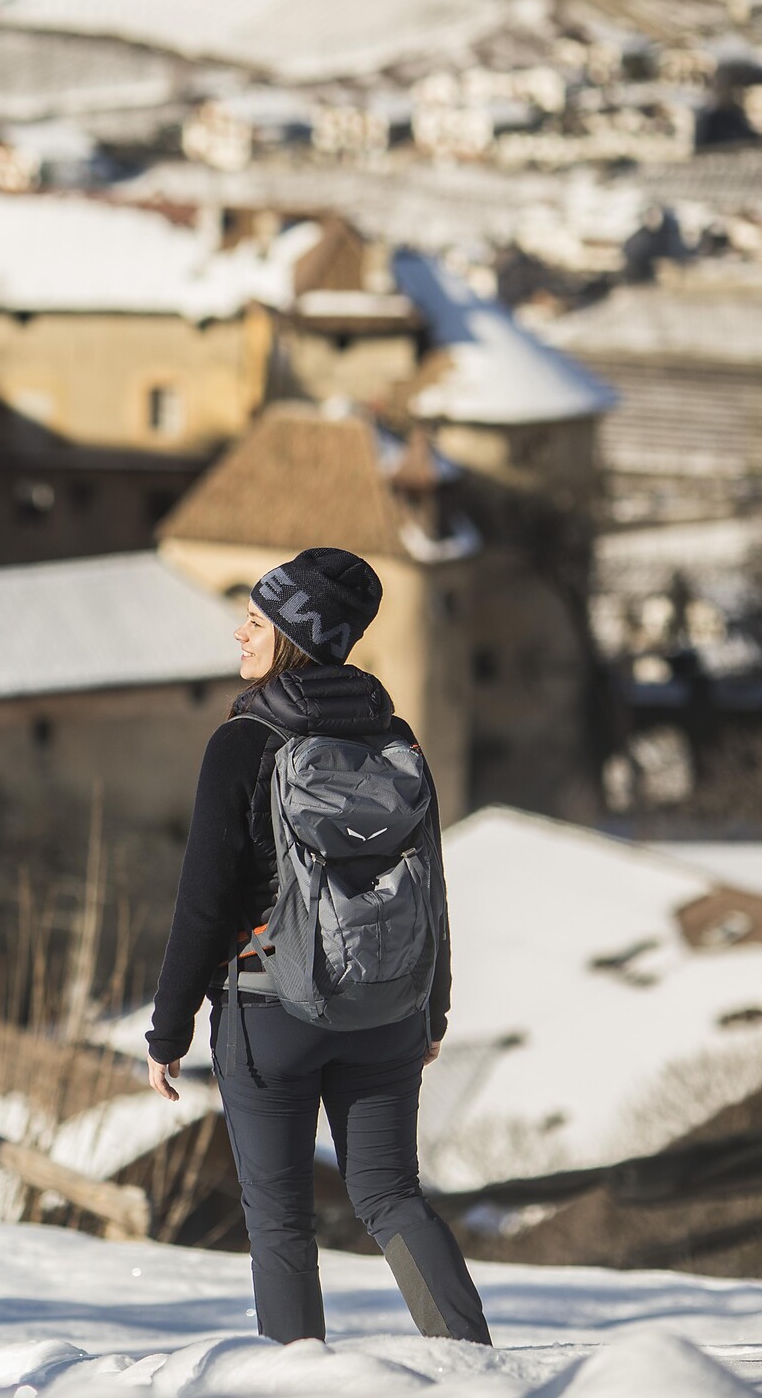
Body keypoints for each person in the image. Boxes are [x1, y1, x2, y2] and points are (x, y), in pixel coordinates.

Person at [144, 546, 491, 1347]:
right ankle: (473, 1365)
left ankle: (297, 1379)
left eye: (255, 621)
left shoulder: (243, 742)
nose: (239, 634)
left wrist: (169, 1028)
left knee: (280, 1223)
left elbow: (204, 902)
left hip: (271, 1012)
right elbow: (429, 885)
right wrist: (431, 1010)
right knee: (391, 1196)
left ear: (295, 638)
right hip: (388, 1008)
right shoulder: (396, 737)